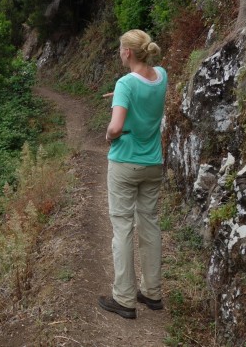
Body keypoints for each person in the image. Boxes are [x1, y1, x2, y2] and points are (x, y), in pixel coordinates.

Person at [97, 29, 167, 319]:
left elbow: (116, 127)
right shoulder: (161, 75)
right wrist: (121, 96)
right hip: (153, 164)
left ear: (127, 52)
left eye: (120, 48)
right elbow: (147, 94)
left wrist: (109, 134)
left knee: (123, 227)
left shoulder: (126, 83)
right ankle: (152, 293)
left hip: (125, 163)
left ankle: (124, 298)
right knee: (149, 224)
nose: (119, 52)